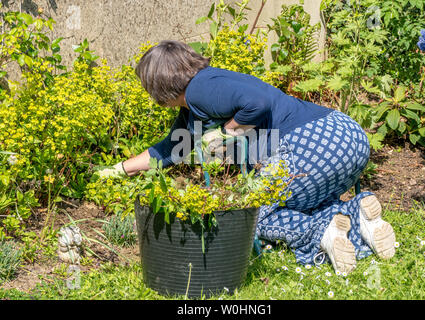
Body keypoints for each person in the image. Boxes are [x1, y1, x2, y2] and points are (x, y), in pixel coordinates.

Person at [98, 40, 396, 273]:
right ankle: (360, 216)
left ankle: (324, 232)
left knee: (253, 218)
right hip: (347, 136)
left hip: (308, 143)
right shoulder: (202, 93)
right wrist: (118, 169)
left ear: (159, 84)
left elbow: (259, 103)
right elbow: (171, 150)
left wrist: (226, 133)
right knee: (299, 200)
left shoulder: (200, 90)